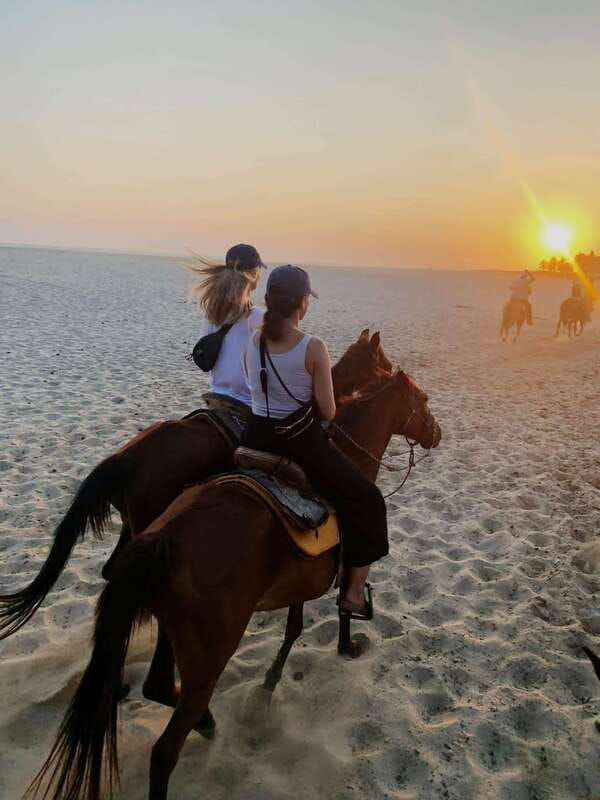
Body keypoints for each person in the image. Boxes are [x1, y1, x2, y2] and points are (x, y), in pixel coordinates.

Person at [242, 264, 388, 619]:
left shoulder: (254, 339)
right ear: (303, 303)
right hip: (298, 443)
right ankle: (353, 595)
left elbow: (252, 387)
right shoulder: (313, 346)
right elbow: (328, 411)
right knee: (369, 499)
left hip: (254, 435)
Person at [189, 243, 265, 408]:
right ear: (255, 274)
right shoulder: (258, 318)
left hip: (216, 395)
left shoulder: (212, 313)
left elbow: (203, 355)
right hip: (247, 402)